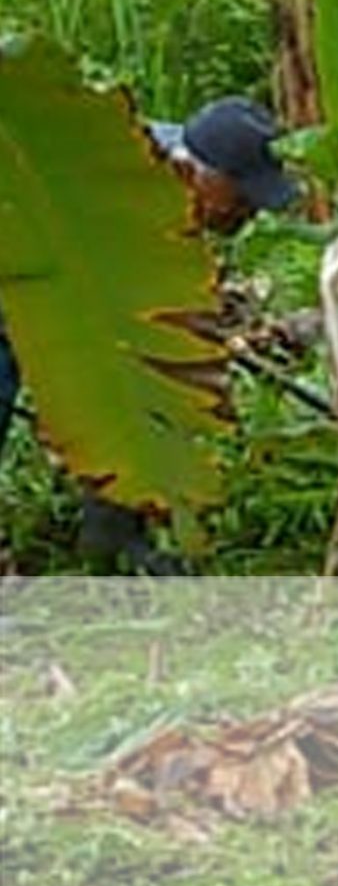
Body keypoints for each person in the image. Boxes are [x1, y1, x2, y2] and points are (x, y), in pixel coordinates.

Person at [0, 95, 301, 569]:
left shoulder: (181, 188)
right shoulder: (110, 172)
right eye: (241, 196)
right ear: (196, 171)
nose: (249, 211)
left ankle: (115, 537)